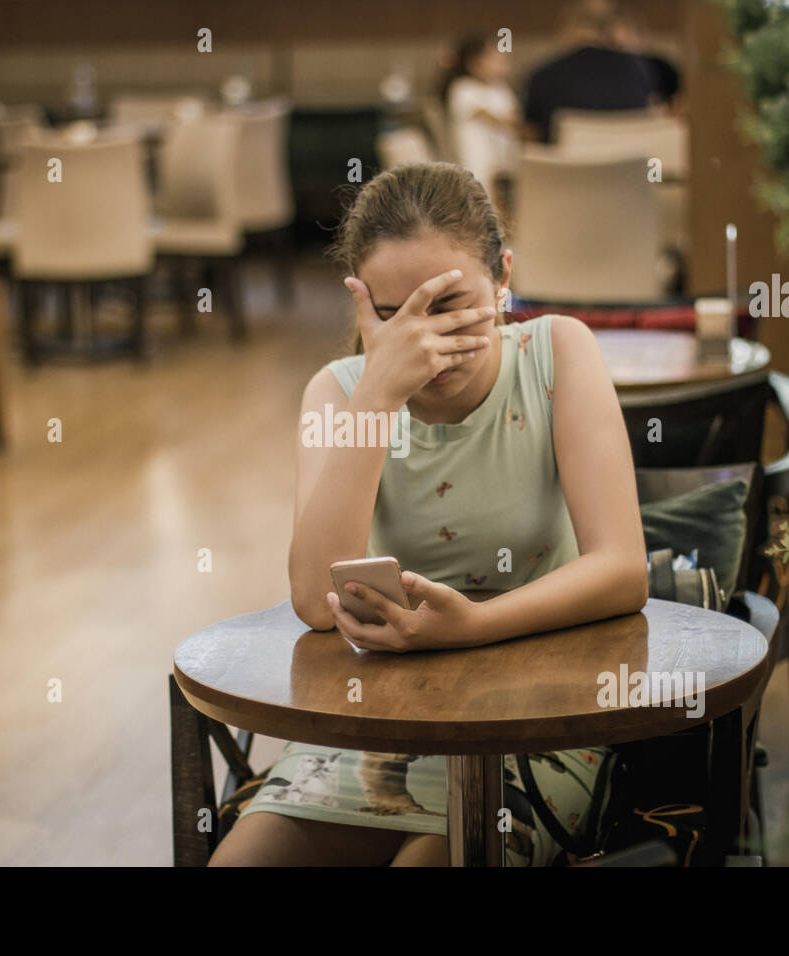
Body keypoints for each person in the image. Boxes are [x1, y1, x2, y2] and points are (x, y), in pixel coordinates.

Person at [208, 163, 648, 867]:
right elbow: (314, 603)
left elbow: (624, 570)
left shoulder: (559, 352)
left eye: (451, 307)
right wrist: (378, 394)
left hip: (536, 716)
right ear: (360, 300)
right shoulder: (337, 394)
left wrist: (471, 627)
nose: (426, 343)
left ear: (503, 275)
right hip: (380, 719)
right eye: (394, 315)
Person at [523, 0, 658, 142]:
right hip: (629, 162)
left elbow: (530, 135)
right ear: (608, 30)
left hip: (565, 163)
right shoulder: (638, 69)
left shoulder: (543, 76)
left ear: (568, 27)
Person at [439, 35, 521, 202]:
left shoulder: (501, 88)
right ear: (474, 63)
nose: (501, 62)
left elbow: (514, 116)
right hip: (478, 159)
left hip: (504, 157)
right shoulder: (463, 89)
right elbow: (493, 119)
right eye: (493, 58)